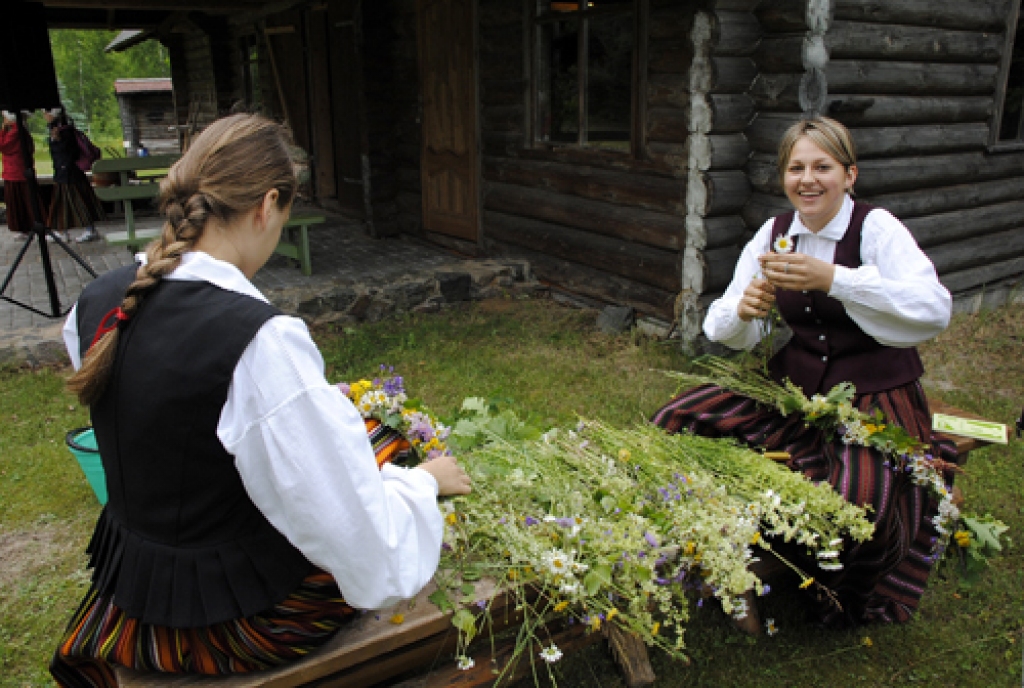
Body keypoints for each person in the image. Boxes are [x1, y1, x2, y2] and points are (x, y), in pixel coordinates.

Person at [50, 114, 471, 686]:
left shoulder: (98, 300)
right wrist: (420, 485)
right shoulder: (259, 341)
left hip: (133, 594)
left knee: (354, 436)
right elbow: (361, 545)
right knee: (385, 441)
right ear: (268, 205)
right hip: (235, 624)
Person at [651, 116, 955, 628]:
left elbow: (934, 308)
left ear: (849, 175)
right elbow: (724, 325)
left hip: (875, 391)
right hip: (794, 386)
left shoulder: (876, 229)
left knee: (860, 500)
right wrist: (744, 310)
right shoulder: (775, 234)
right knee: (677, 419)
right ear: (783, 177)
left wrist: (836, 279)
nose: (808, 179)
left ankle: (833, 597)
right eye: (796, 168)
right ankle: (720, 550)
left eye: (822, 167)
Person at [43, 107, 104, 243]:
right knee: (65, 204)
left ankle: (87, 230)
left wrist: (58, 141)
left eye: (46, 113)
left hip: (69, 173)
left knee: (77, 203)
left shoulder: (64, 132)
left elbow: (70, 153)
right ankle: (63, 231)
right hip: (66, 172)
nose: (44, 115)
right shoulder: (61, 129)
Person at [0, 110, 38, 236]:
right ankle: (25, 228)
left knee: (22, 203)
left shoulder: (15, 132)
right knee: (22, 203)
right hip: (17, 171)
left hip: (15, 172)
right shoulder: (20, 130)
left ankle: (30, 226)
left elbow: (3, 146)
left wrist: (3, 130)